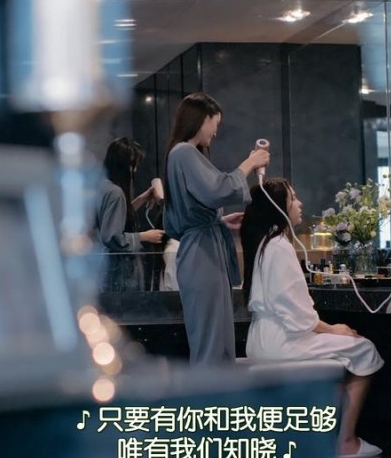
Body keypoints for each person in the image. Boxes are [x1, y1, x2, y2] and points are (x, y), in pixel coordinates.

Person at [240, 177, 385, 458]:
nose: (300, 203)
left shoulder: (262, 244)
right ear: (278, 207)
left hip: (261, 339)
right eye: (293, 198)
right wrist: (333, 329)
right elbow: (295, 313)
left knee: (340, 362)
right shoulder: (279, 246)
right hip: (283, 342)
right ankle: (346, 442)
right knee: (364, 349)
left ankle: (320, 438)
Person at [163, 92, 270, 364]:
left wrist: (219, 221)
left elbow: (182, 215)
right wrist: (250, 163)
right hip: (202, 254)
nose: (216, 131)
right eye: (215, 123)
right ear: (203, 119)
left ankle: (215, 389)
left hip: (201, 249)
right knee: (211, 338)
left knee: (212, 334)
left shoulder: (179, 154)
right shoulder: (185, 152)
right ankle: (211, 391)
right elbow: (217, 189)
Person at [94, 138, 164, 291]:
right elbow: (112, 236)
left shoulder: (103, 187)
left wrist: (141, 199)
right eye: (133, 165)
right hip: (119, 274)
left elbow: (115, 217)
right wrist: (144, 236)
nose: (135, 170)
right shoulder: (115, 193)